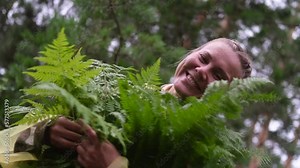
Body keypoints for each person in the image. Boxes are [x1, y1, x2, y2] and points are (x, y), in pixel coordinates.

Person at [13, 38, 251, 168]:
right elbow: (7, 142)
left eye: (218, 76)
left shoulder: (204, 151)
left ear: (226, 99)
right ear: (191, 54)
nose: (202, 71)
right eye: (203, 58)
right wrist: (45, 132)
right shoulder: (114, 93)